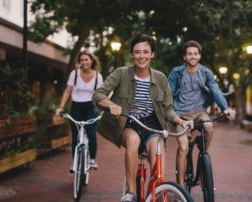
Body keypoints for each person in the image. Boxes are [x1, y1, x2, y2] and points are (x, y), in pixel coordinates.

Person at [92, 34, 189, 202]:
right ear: (132, 54)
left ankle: (158, 191)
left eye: (146, 52)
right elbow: (98, 94)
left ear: (152, 54)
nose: (141, 56)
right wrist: (111, 105)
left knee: (157, 158)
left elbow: (168, 109)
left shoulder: (160, 78)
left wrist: (177, 119)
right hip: (129, 122)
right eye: (137, 52)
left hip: (153, 125)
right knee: (133, 141)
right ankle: (131, 192)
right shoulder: (121, 73)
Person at [168, 40, 236, 186]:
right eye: (189, 54)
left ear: (199, 56)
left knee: (210, 126)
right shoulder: (176, 73)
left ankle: (202, 154)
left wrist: (225, 108)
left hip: (199, 111)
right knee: (183, 147)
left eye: (195, 53)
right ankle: (180, 187)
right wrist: (171, 115)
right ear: (184, 57)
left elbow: (215, 91)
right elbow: (169, 95)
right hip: (180, 114)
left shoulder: (206, 73)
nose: (192, 56)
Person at [56, 51, 103, 169]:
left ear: (91, 60)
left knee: (91, 132)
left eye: (86, 59)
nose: (84, 62)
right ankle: (75, 163)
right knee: (76, 135)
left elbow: (100, 95)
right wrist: (60, 107)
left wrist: (102, 109)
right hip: (76, 106)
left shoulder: (98, 76)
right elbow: (67, 91)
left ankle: (92, 159)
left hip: (91, 107)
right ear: (79, 62)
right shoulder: (75, 74)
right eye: (81, 60)